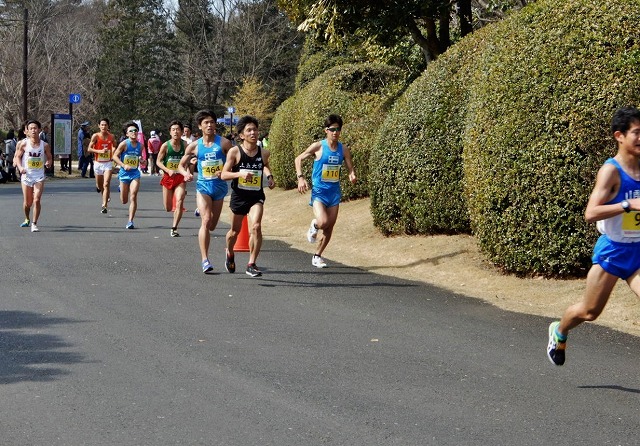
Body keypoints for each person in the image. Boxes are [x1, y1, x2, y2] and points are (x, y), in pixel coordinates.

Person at [547, 106, 640, 366]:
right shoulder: (611, 171)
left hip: (638, 252)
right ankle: (559, 331)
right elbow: (591, 213)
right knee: (589, 312)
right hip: (613, 251)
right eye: (637, 133)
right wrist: (627, 205)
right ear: (619, 136)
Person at [294, 114, 356, 268]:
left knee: (330, 227)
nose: (335, 132)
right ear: (326, 130)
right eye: (332, 129)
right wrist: (300, 177)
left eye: (338, 129)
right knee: (323, 222)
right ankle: (314, 225)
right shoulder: (319, 146)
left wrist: (352, 174)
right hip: (319, 192)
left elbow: (350, 168)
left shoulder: (344, 150)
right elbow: (298, 159)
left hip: (334, 193)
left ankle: (317, 255)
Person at [221, 115, 275, 277]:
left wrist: (269, 176)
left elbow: (264, 166)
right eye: (249, 130)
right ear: (242, 135)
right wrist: (240, 174)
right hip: (239, 196)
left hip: (256, 196)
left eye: (255, 130)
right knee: (234, 232)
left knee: (256, 226)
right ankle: (230, 253)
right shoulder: (235, 152)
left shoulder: (264, 153)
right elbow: (224, 174)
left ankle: (251, 263)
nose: (253, 133)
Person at [178, 109, 232, 273]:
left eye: (212, 122)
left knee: (213, 225)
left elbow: (235, 162)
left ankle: (201, 210)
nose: (209, 125)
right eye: (206, 122)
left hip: (220, 188)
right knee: (206, 220)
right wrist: (186, 173)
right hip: (203, 187)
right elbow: (181, 165)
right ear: (200, 126)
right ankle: (205, 260)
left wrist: (225, 172)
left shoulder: (223, 143)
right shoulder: (194, 146)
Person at [13, 119, 53, 232]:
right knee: (28, 203)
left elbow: (49, 157)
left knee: (36, 200)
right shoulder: (24, 144)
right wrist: (20, 168)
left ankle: (34, 223)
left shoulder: (44, 145)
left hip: (39, 175)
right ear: (27, 131)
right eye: (31, 128)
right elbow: (17, 157)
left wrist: (48, 162)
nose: (33, 130)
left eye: (35, 128)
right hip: (27, 176)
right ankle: (27, 218)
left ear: (39, 130)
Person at [157, 120, 187, 237]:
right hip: (168, 178)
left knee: (179, 200)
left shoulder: (185, 145)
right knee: (168, 208)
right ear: (170, 132)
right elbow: (158, 161)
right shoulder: (165, 146)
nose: (176, 132)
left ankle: (174, 228)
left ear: (181, 132)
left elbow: (188, 161)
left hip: (180, 178)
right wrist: (168, 170)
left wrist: (187, 171)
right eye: (173, 130)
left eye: (178, 129)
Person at [112, 121, 143, 229]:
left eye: (135, 130)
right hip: (124, 174)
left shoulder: (140, 146)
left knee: (133, 196)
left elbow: (140, 159)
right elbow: (115, 156)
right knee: (124, 201)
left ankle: (130, 221)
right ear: (127, 134)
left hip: (135, 174)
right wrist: (123, 165)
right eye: (131, 131)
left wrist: (142, 161)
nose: (134, 132)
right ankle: (121, 187)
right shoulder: (124, 144)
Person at [88, 118, 117, 214]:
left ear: (108, 126)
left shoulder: (111, 136)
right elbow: (89, 149)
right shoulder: (95, 136)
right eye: (102, 125)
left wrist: (113, 153)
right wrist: (99, 151)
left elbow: (114, 146)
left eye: (105, 125)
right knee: (100, 186)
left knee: (106, 183)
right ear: (99, 126)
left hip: (108, 163)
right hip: (98, 163)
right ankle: (103, 193)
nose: (104, 126)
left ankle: (104, 205)